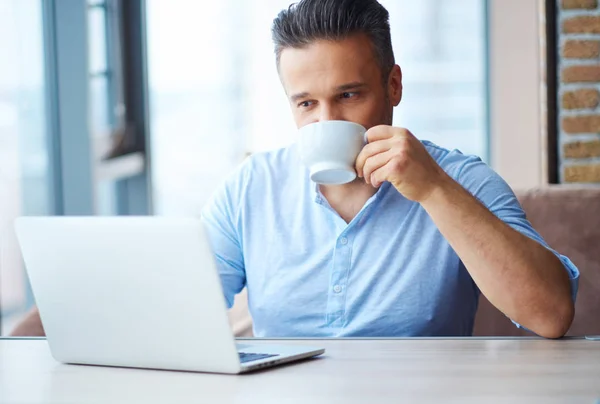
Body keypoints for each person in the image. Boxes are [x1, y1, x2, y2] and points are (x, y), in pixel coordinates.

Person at [200, 0, 579, 339]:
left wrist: (433, 191)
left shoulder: (459, 180)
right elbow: (183, 307)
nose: (326, 120)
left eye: (348, 95)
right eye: (307, 104)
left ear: (393, 85)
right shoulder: (251, 186)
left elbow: (551, 315)